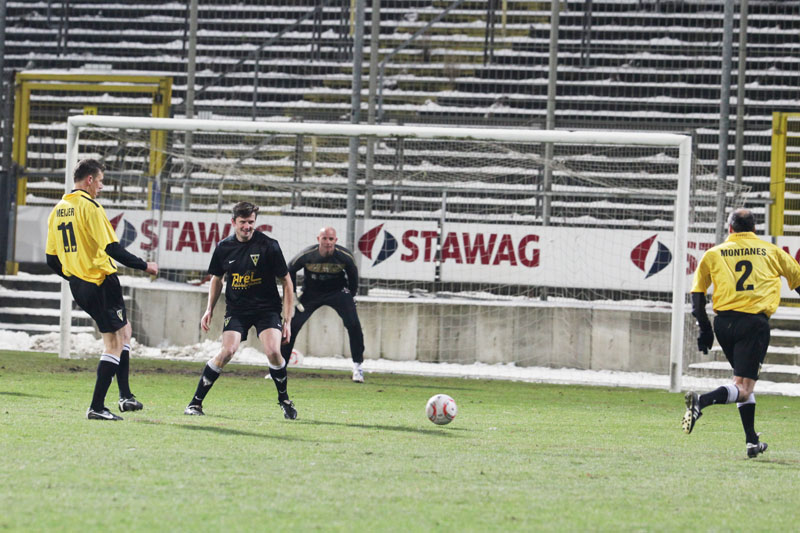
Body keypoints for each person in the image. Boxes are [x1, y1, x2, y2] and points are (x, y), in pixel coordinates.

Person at [45, 158, 159, 421]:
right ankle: (97, 406)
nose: (102, 186)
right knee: (114, 342)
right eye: (100, 181)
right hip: (100, 282)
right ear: (89, 180)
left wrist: (74, 276)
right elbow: (112, 248)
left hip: (80, 285)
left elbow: (51, 259)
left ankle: (125, 396)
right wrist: (144, 265)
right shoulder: (91, 207)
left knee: (125, 331)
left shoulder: (58, 209)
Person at [683, 208, 800, 458]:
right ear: (755, 228)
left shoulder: (713, 253)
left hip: (723, 325)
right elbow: (798, 281)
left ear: (730, 228)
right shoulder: (771, 251)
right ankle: (700, 402)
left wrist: (704, 328)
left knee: (742, 381)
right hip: (753, 324)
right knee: (743, 387)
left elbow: (697, 295)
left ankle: (751, 441)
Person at [184, 201, 297, 419]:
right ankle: (195, 403)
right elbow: (217, 278)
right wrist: (209, 309)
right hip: (237, 310)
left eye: (251, 222)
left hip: (267, 309)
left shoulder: (269, 245)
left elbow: (287, 281)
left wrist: (288, 320)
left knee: (273, 352)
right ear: (233, 222)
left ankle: (284, 400)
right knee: (227, 351)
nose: (247, 226)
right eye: (243, 222)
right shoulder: (223, 247)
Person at [280, 227, 366, 382]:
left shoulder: (345, 256)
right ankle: (279, 367)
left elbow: (353, 276)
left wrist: (351, 295)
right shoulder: (307, 254)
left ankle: (358, 367)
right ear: (318, 239)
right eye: (324, 238)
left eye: (331, 239)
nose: (328, 242)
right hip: (311, 293)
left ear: (336, 240)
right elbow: (289, 270)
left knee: (354, 324)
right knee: (291, 324)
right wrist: (293, 295)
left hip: (337, 292)